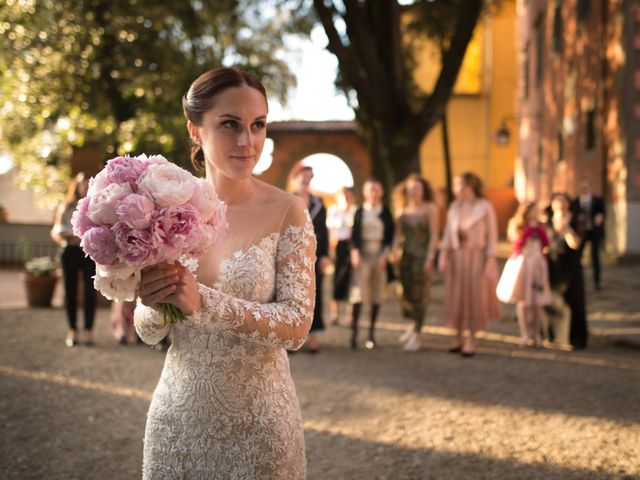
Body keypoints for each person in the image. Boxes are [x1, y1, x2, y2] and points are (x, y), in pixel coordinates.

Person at [133, 67, 316, 478]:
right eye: (229, 124)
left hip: (260, 428)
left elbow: (297, 325)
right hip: (177, 422)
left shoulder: (288, 211)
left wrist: (204, 302)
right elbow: (147, 330)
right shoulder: (163, 210)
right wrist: (157, 305)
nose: (247, 141)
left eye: (258, 125)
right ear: (195, 130)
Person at [438, 172, 500, 357]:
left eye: (459, 185)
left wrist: (490, 258)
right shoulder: (454, 207)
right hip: (457, 257)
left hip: (476, 257)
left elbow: (492, 235)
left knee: (474, 296)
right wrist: (443, 255)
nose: (456, 190)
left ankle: (471, 339)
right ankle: (458, 337)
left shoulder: (484, 207)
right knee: (456, 295)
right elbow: (448, 234)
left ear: (469, 186)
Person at [391, 174, 439, 352]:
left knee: (420, 295)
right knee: (405, 293)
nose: (414, 192)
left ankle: (418, 333)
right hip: (406, 257)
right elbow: (397, 234)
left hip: (422, 257)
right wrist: (394, 250)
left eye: (417, 188)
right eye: (411, 188)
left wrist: (430, 257)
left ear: (423, 190)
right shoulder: (402, 208)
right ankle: (412, 325)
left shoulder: (430, 208)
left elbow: (434, 235)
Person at [50, 172, 97, 347]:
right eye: (81, 185)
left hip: (88, 253)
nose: (84, 187)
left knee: (90, 292)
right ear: (75, 186)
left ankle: (89, 331)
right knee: (70, 292)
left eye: (87, 185)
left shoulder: (95, 206)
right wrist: (64, 234)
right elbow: (55, 230)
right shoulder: (66, 207)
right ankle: (72, 330)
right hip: (69, 250)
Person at [288, 164, 330, 353]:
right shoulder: (287, 200)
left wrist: (326, 255)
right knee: (291, 294)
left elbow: (324, 231)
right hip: (291, 254)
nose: (306, 181)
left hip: (314, 255)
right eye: (303, 177)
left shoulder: (319, 203)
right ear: (295, 178)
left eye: (309, 178)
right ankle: (291, 336)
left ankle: (314, 336)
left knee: (315, 294)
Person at [349, 178, 394, 349]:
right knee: (358, 294)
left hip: (379, 255)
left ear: (381, 192)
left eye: (377, 189)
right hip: (363, 254)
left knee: (376, 294)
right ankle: (354, 333)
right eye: (371, 190)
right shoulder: (360, 211)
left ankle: (371, 333)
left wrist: (385, 255)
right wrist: (355, 253)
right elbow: (354, 235)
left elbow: (390, 236)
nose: (374, 193)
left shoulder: (386, 211)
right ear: (365, 193)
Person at [499, 202, 551, 347]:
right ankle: (525, 334)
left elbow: (546, 244)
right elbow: (516, 244)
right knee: (523, 301)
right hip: (523, 264)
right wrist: (527, 231)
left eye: (537, 211)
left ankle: (537, 334)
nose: (535, 214)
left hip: (538, 265)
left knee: (537, 300)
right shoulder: (517, 225)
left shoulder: (541, 226)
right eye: (533, 211)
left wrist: (541, 232)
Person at [546, 192, 587, 349]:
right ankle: (553, 337)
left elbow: (576, 244)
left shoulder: (577, 220)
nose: (561, 204)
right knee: (554, 302)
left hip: (571, 266)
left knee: (573, 301)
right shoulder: (548, 221)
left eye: (563, 201)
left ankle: (574, 338)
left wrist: (567, 230)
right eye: (557, 201)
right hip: (553, 266)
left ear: (568, 204)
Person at [326, 186, 356, 326]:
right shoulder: (334, 211)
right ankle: (335, 314)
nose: (346, 198)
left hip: (353, 247)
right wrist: (330, 251)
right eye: (343, 196)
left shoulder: (356, 211)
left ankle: (350, 315)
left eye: (348, 195)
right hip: (339, 247)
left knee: (352, 280)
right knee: (337, 279)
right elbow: (331, 232)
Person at [571, 179, 605, 290]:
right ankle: (577, 280)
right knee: (577, 256)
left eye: (586, 187)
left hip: (594, 232)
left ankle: (597, 282)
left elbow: (603, 213)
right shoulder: (575, 202)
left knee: (595, 256)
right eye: (582, 188)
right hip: (581, 233)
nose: (584, 190)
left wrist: (600, 217)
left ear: (589, 188)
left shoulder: (597, 200)